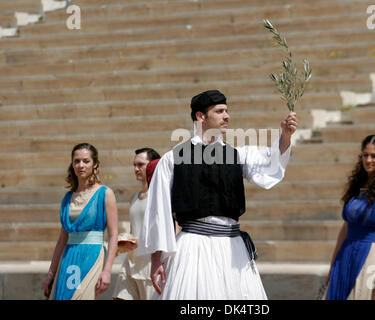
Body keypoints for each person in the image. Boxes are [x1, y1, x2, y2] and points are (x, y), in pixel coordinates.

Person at [136, 89, 297, 299]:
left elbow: (270, 162)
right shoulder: (172, 159)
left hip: (232, 250)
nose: (227, 116)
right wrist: (156, 258)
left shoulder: (237, 155)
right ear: (200, 116)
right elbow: (159, 209)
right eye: (220, 111)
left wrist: (285, 135)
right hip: (193, 249)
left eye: (227, 111)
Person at [323, 134, 375, 300]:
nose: (368, 160)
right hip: (345, 253)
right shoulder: (356, 187)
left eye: (374, 156)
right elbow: (345, 228)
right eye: (365, 155)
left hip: (370, 255)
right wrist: (332, 266)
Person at [44, 143, 119, 300]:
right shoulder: (67, 198)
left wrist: (107, 270)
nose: (81, 165)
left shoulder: (105, 193)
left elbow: (113, 234)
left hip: (92, 255)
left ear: (95, 164)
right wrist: (52, 272)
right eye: (76, 161)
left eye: (86, 161)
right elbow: (62, 239)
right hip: (69, 256)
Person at [113, 148, 161, 300]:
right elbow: (135, 230)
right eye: (134, 165)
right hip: (131, 264)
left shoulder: (161, 196)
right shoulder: (134, 197)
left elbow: (171, 231)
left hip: (151, 266)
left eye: (140, 164)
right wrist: (123, 242)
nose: (136, 169)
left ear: (153, 165)